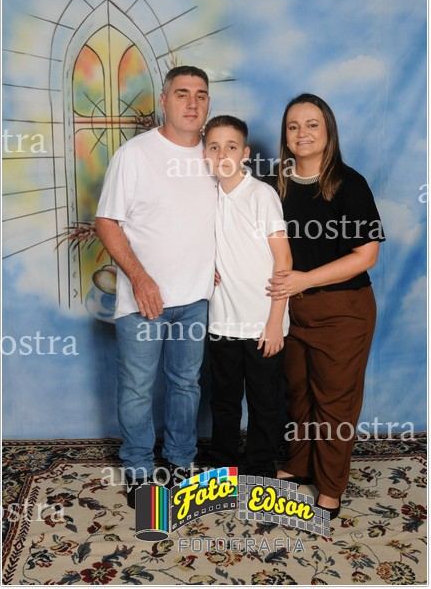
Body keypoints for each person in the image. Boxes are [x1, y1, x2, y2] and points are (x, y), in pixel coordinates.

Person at [95, 66, 216, 507]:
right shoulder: (135, 154)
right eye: (182, 93)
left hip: (196, 299)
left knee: (186, 385)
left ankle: (181, 462)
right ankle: (140, 470)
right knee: (137, 388)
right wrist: (141, 278)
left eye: (200, 94)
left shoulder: (214, 155)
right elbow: (106, 222)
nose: (192, 103)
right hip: (143, 299)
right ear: (163, 100)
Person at [267, 93, 385, 519]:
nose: (302, 133)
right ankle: (300, 464)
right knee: (298, 394)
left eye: (312, 124)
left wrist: (306, 279)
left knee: (335, 402)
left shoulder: (349, 184)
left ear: (328, 130)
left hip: (343, 310)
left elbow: (366, 255)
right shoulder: (275, 185)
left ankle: (331, 486)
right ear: (285, 135)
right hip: (291, 309)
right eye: (293, 126)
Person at [204, 115, 292, 478]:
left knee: (264, 402)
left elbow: (283, 260)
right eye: (213, 147)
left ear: (245, 153)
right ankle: (222, 469)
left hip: (262, 322)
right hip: (222, 321)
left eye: (231, 146)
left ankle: (259, 471)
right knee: (223, 402)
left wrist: (275, 322)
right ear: (204, 153)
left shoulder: (261, 195)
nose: (222, 154)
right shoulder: (204, 195)